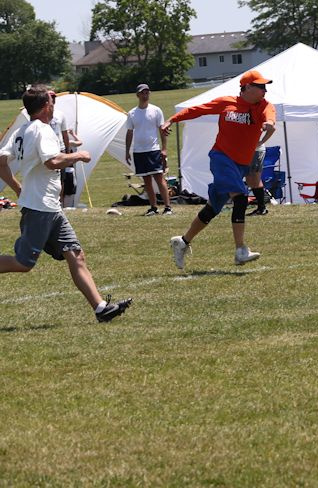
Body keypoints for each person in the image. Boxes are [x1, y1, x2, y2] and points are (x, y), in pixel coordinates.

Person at [0, 85, 132, 322]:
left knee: (76, 254)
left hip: (49, 207)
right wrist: (80, 155)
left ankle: (101, 308)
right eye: (51, 102)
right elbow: (52, 161)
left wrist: (19, 188)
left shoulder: (22, 130)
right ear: (46, 106)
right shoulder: (41, 130)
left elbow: (2, 162)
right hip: (39, 209)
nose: (54, 105)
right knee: (23, 263)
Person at [161, 69, 276, 270]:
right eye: (260, 86)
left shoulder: (264, 105)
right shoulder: (227, 102)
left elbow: (270, 118)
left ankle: (182, 242)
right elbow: (198, 110)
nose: (265, 90)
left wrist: (269, 124)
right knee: (241, 198)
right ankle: (241, 250)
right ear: (247, 87)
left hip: (241, 165)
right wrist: (172, 120)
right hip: (221, 158)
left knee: (212, 208)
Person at [125, 84, 172, 216]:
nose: (145, 95)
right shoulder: (132, 113)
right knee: (146, 181)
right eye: (142, 93)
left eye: (147, 92)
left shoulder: (156, 110)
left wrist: (164, 148)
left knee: (159, 179)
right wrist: (127, 151)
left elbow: (162, 130)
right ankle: (153, 207)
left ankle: (168, 207)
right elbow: (129, 132)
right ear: (138, 95)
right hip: (138, 151)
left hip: (153, 150)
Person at [245, 126, 277, 216]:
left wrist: (262, 141)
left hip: (256, 151)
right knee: (249, 180)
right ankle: (261, 206)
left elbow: (272, 128)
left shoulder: (257, 120)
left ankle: (262, 207)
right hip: (247, 151)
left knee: (255, 179)